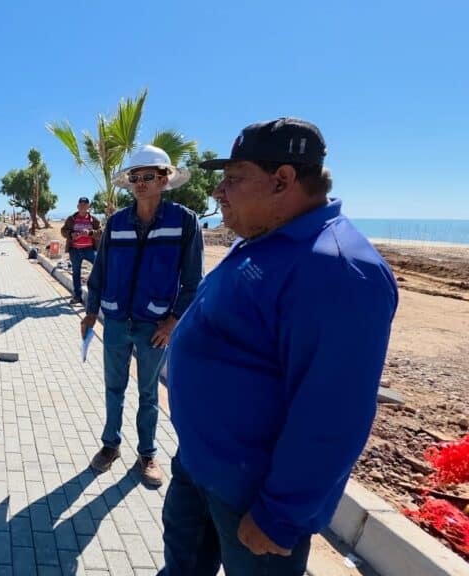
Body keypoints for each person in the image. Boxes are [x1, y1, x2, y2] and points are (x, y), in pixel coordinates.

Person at [159, 118, 398, 575]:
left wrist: (279, 515)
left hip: (253, 499)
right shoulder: (265, 240)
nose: (219, 192)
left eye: (233, 179)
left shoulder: (338, 269)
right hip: (200, 466)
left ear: (283, 180)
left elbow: (332, 412)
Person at [81, 145, 204, 487]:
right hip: (117, 322)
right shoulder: (117, 223)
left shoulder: (184, 222)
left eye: (148, 176)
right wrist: (91, 313)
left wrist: (173, 321)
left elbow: (194, 281)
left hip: (155, 326)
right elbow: (100, 270)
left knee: (149, 394)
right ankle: (110, 446)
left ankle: (147, 453)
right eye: (135, 177)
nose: (140, 183)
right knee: (113, 388)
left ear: (165, 179)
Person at [60, 196, 102, 305]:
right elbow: (63, 231)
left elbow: (101, 232)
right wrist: (71, 234)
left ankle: (101, 294)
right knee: (76, 273)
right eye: (81, 205)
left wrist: (90, 233)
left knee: (100, 268)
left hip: (89, 250)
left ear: (88, 207)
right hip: (75, 251)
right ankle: (77, 296)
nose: (83, 206)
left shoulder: (94, 220)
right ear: (78, 206)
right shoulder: (71, 219)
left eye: (85, 205)